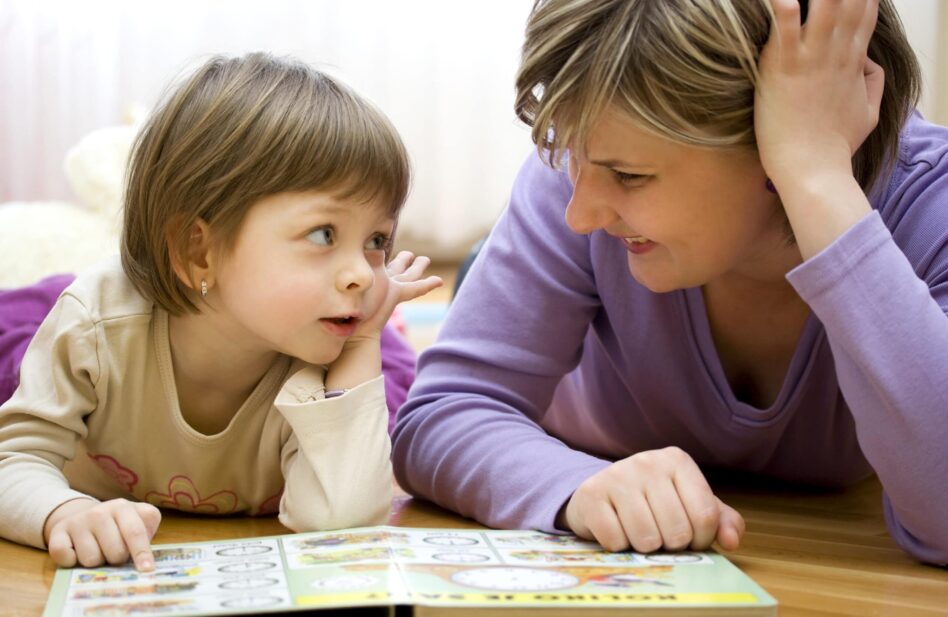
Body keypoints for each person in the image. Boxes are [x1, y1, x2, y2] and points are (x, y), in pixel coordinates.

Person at [393, 0, 948, 566]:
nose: (580, 215)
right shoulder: (570, 186)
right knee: (493, 267)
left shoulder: (931, 206)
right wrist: (577, 487)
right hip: (556, 385)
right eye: (570, 157)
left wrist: (818, 177)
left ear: (776, 140)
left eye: (630, 176)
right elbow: (443, 413)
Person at [0, 52, 442, 571]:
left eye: (377, 240)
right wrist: (63, 511)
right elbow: (16, 459)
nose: (364, 275)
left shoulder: (327, 354)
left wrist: (365, 343)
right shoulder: (97, 326)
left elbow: (339, 521)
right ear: (198, 250)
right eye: (324, 234)